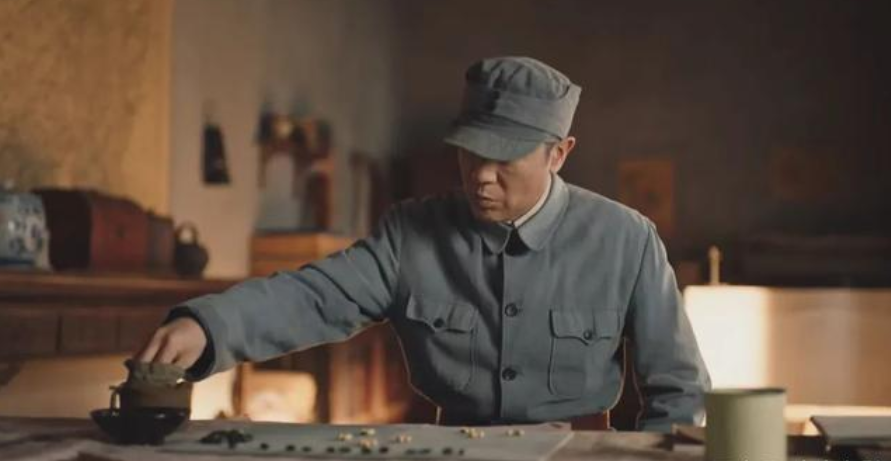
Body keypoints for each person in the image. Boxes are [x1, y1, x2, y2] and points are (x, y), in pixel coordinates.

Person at [136, 56, 711, 432]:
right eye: (470, 153)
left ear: (558, 154)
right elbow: (314, 297)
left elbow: (680, 391)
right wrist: (208, 326)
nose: (480, 176)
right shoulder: (410, 231)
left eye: (504, 159)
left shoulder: (627, 240)